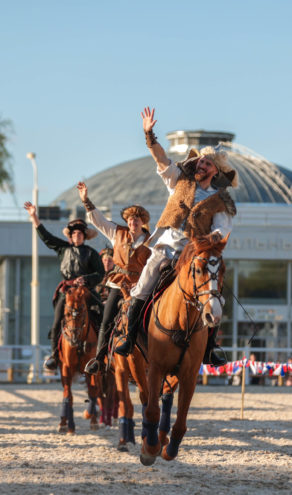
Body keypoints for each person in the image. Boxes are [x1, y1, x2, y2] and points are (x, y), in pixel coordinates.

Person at [115, 107, 238, 366]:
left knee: (214, 293)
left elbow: (222, 230)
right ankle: (129, 337)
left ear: (215, 171)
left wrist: (206, 241)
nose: (201, 164)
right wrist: (149, 134)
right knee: (143, 286)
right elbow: (161, 160)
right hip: (166, 248)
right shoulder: (179, 180)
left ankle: (209, 348)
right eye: (200, 161)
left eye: (207, 163)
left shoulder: (221, 201)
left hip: (194, 254)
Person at [77, 182, 151, 374]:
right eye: (130, 219)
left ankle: (154, 357)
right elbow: (98, 220)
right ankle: (99, 359)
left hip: (140, 288)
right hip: (118, 285)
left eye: (137, 219)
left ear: (143, 222)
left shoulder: (152, 240)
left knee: (150, 319)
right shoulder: (117, 233)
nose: (133, 222)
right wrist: (86, 200)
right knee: (107, 319)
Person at [24, 202, 105, 370]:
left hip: (86, 291)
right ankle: (54, 355)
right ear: (71, 236)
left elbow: (100, 274)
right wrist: (34, 216)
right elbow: (46, 237)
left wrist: (86, 279)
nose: (77, 235)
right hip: (66, 292)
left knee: (103, 315)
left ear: (84, 236)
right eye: (74, 233)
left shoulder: (91, 253)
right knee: (56, 322)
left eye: (80, 233)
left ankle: (102, 354)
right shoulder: (62, 249)